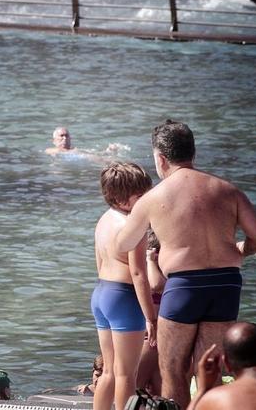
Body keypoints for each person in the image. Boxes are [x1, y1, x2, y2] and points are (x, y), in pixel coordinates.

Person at [114, 120, 256, 408]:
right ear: (192, 153)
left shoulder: (153, 198)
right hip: (226, 283)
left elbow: (122, 244)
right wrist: (240, 249)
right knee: (207, 371)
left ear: (160, 158)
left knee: (173, 371)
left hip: (185, 287)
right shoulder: (227, 190)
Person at [91, 162, 156, 410]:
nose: (146, 200)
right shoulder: (133, 227)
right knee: (127, 374)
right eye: (140, 196)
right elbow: (139, 273)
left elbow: (99, 261)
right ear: (121, 199)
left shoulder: (104, 220)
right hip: (124, 298)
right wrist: (151, 316)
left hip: (102, 294)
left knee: (109, 370)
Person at [136, 229, 166, 395]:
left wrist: (151, 261)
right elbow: (155, 285)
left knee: (144, 385)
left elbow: (157, 285)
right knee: (144, 385)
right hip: (149, 336)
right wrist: (150, 261)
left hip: (155, 337)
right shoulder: (147, 270)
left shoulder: (161, 271)